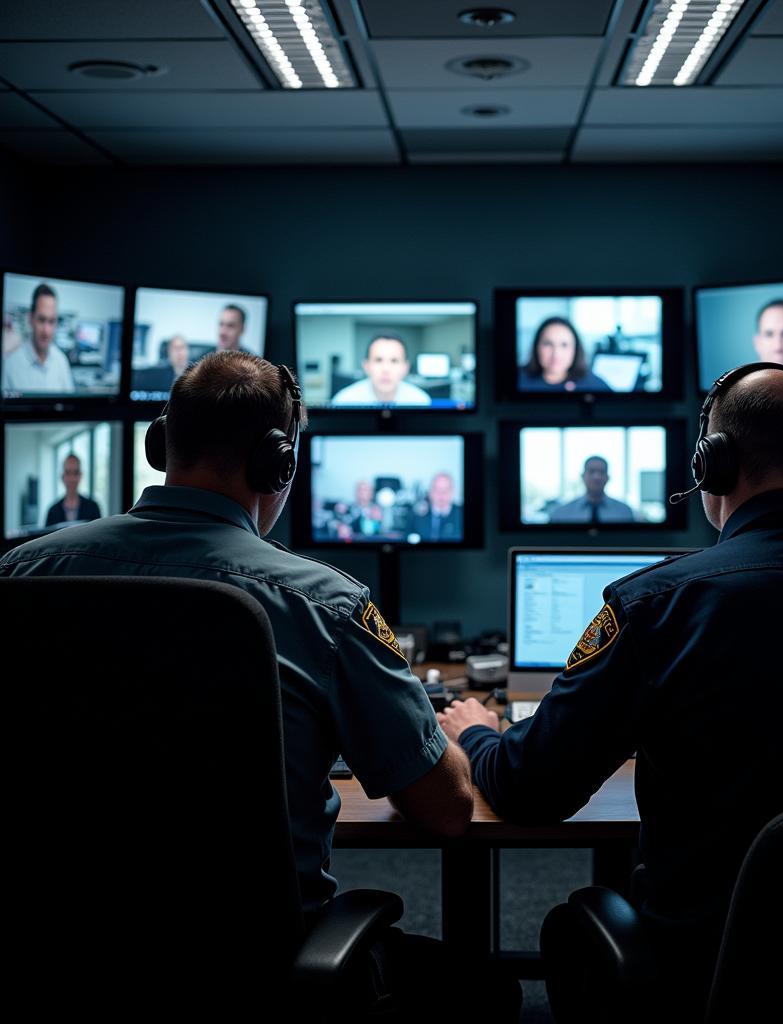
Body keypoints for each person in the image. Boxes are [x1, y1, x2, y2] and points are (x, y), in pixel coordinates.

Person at [438, 365, 783, 1018]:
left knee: (577, 925)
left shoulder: (654, 605)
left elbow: (529, 788)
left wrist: (478, 731)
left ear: (710, 465)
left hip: (712, 977)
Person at [0, 350, 519, 1022]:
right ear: (280, 463)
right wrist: (450, 727)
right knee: (487, 993)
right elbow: (447, 809)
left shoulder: (21, 574)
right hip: (255, 973)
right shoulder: (325, 604)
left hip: (56, 957)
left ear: (162, 444)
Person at [2, 283, 75, 395]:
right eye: (41, 320)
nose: (46, 331)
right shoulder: (10, 366)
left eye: (51, 321)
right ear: (30, 319)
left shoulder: (61, 361)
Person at [518, 316, 612, 393]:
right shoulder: (518, 379)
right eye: (548, 344)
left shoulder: (595, 386)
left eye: (564, 345)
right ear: (536, 347)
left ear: (575, 349)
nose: (556, 353)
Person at [331, 334, 431, 406]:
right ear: (366, 366)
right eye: (378, 360)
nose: (386, 369)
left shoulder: (421, 402)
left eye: (394, 361)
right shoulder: (343, 402)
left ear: (406, 368)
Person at [548, 456, 635, 524]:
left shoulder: (624, 512)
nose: (596, 477)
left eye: (601, 472)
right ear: (582, 476)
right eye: (592, 471)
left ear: (608, 477)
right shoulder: (561, 514)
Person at [44, 453, 101, 527]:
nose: (72, 478)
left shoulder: (93, 508)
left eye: (76, 473)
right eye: (68, 473)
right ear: (62, 476)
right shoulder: (53, 511)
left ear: (80, 476)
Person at [410, 472, 463, 542]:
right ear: (430, 491)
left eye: (446, 490)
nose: (441, 494)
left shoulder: (461, 515)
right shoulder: (416, 515)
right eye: (437, 489)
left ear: (452, 491)